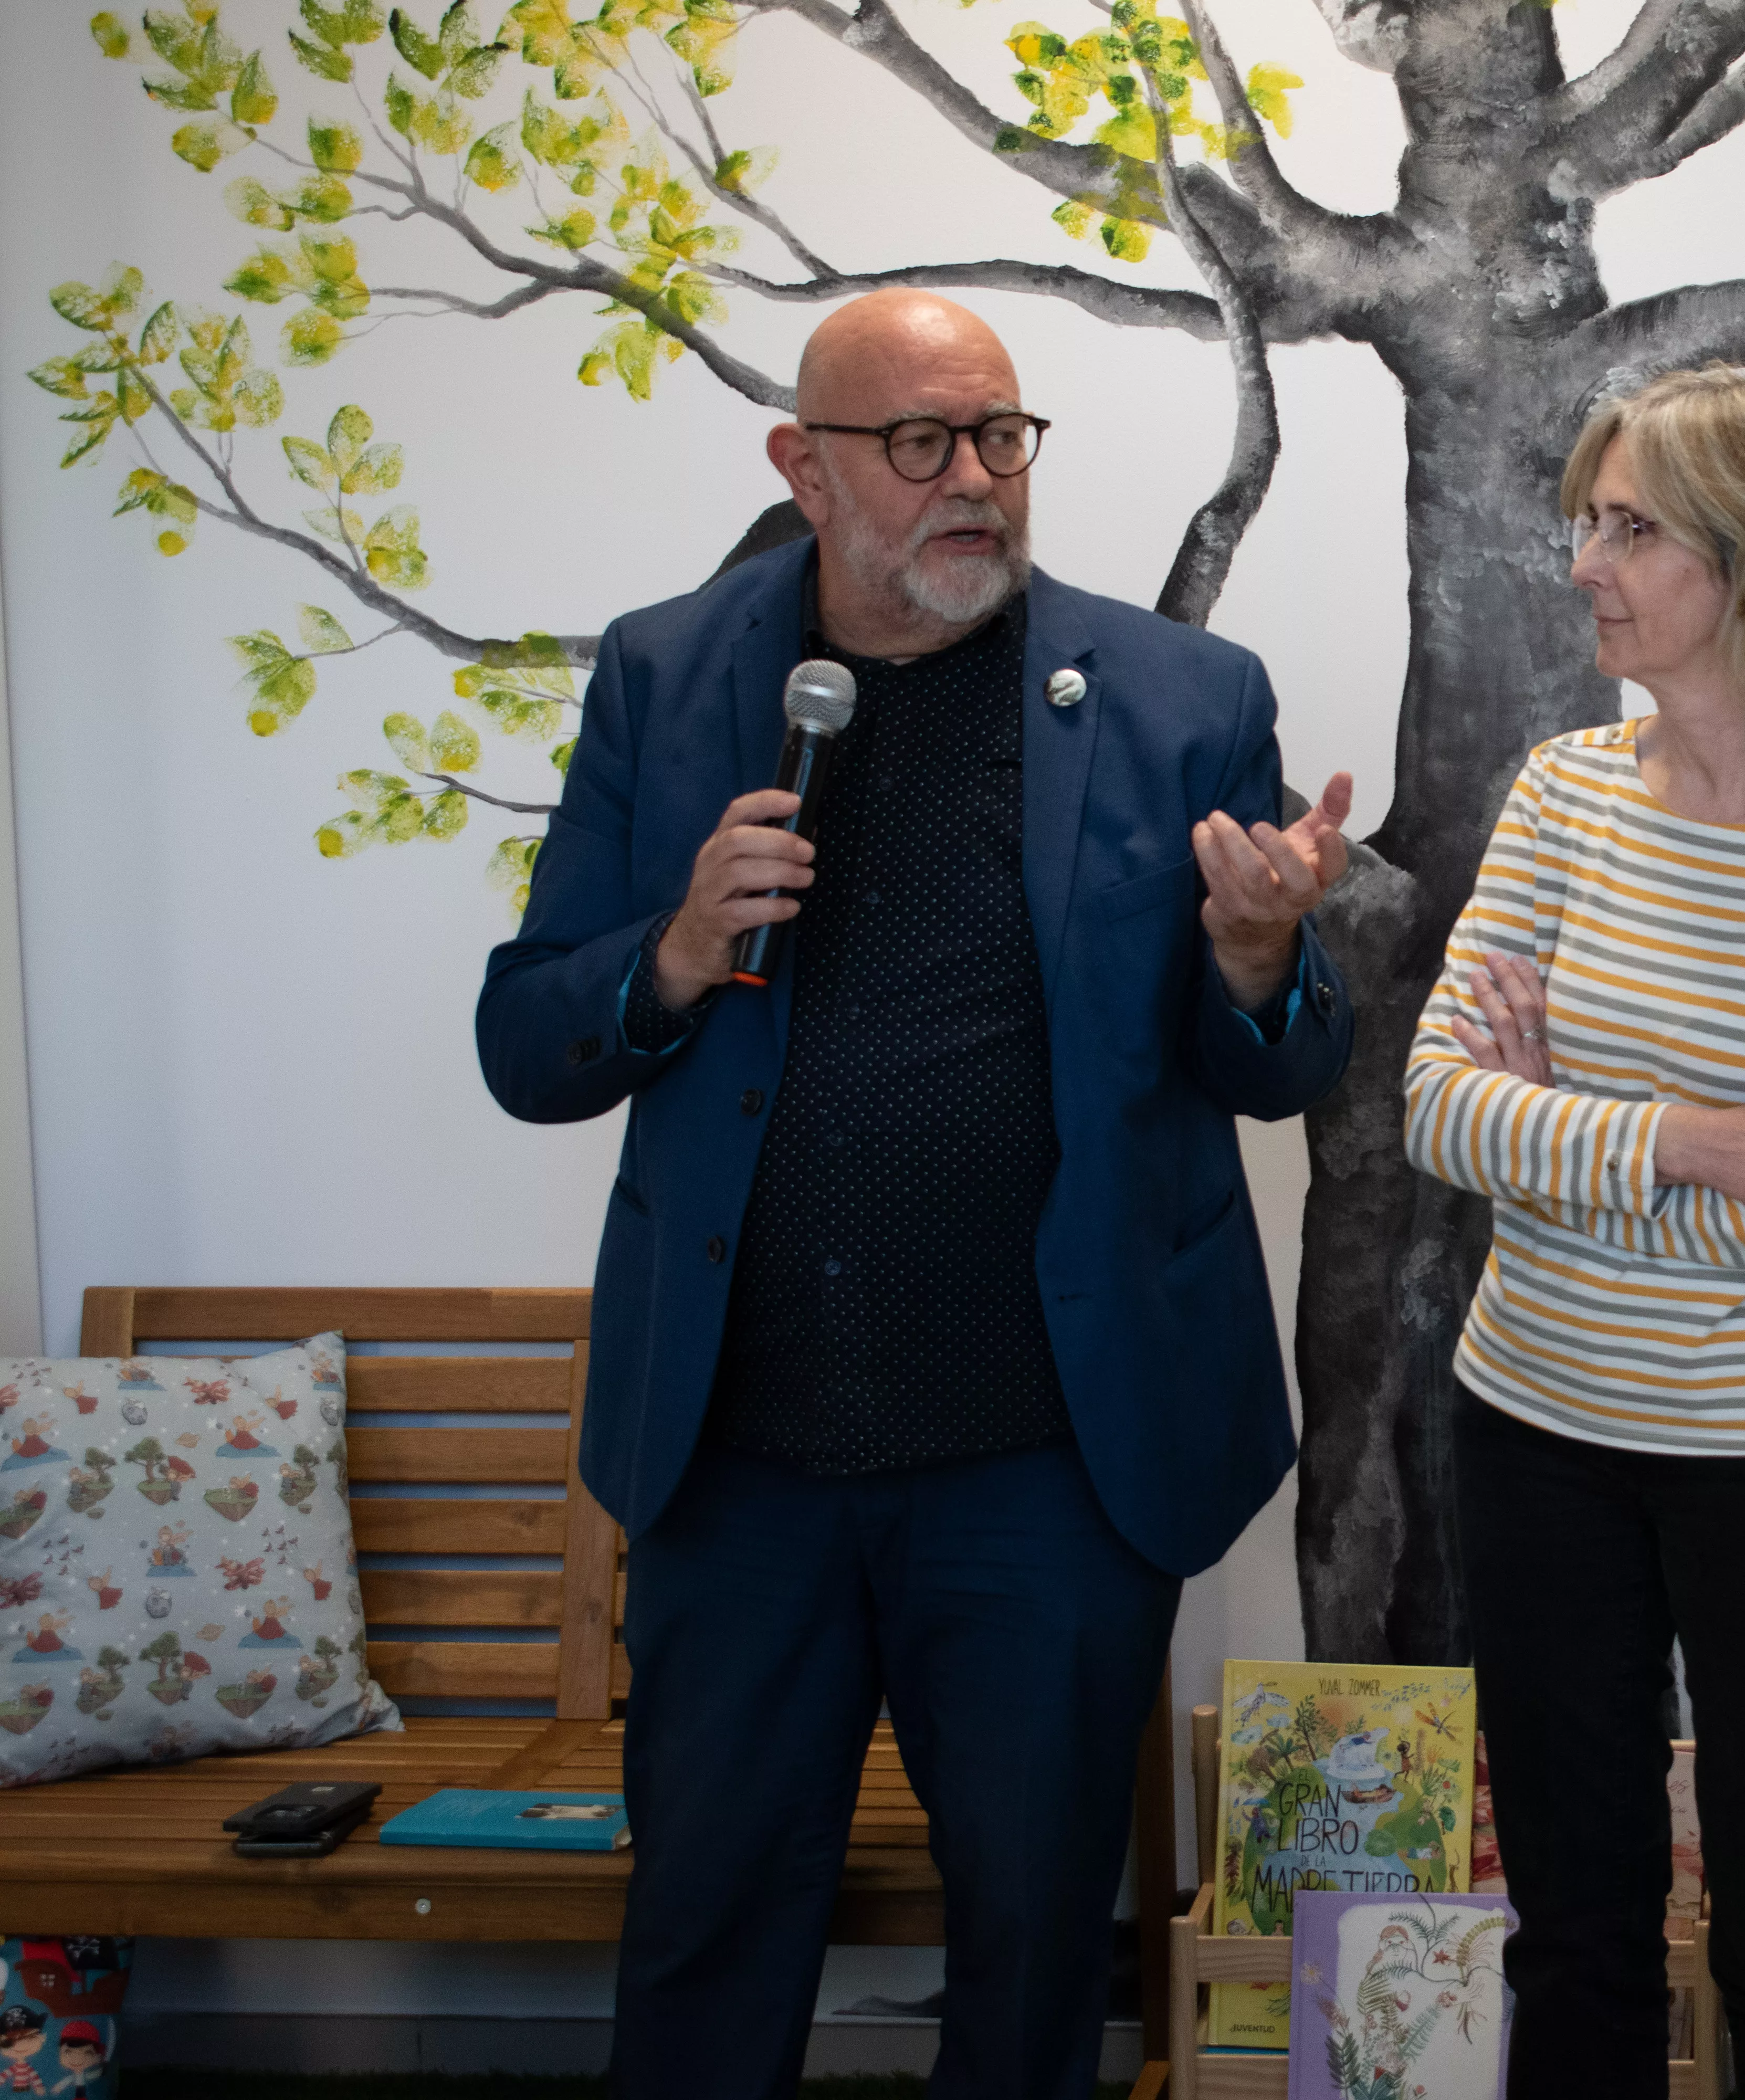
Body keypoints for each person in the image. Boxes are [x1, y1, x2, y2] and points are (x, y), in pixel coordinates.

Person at [475, 289, 1355, 2097]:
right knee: (710, 1926)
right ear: (804, 468)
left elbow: (1273, 1068)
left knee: (1036, 1946)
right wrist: (672, 950)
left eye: (1000, 437)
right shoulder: (665, 677)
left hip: (1049, 1457)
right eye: (919, 443)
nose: (974, 479)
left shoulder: (1184, 697)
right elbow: (525, 1041)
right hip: (741, 1454)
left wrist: (1262, 958)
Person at [1402, 364, 1745, 2099]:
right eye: (1591, 521)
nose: (1584, 563)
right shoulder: (1563, 793)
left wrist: (1558, 1135)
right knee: (1573, 1928)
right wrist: (1704, 1140)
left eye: (1631, 528)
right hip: (1538, 1437)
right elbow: (1439, 1112)